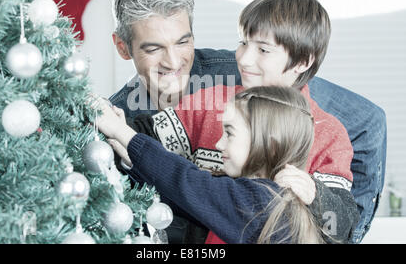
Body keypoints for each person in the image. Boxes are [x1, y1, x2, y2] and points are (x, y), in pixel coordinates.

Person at [109, 0, 386, 243]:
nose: (242, 59)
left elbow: (341, 225)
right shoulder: (213, 98)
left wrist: (315, 194)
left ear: (302, 62)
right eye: (242, 43)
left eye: (263, 50)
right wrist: (116, 126)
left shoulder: (327, 132)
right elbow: (145, 138)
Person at [98, 86, 359, 243]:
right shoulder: (248, 192)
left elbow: (186, 181)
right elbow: (179, 195)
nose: (219, 144)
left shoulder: (263, 202)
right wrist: (128, 153)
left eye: (230, 133)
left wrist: (124, 134)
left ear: (268, 144)